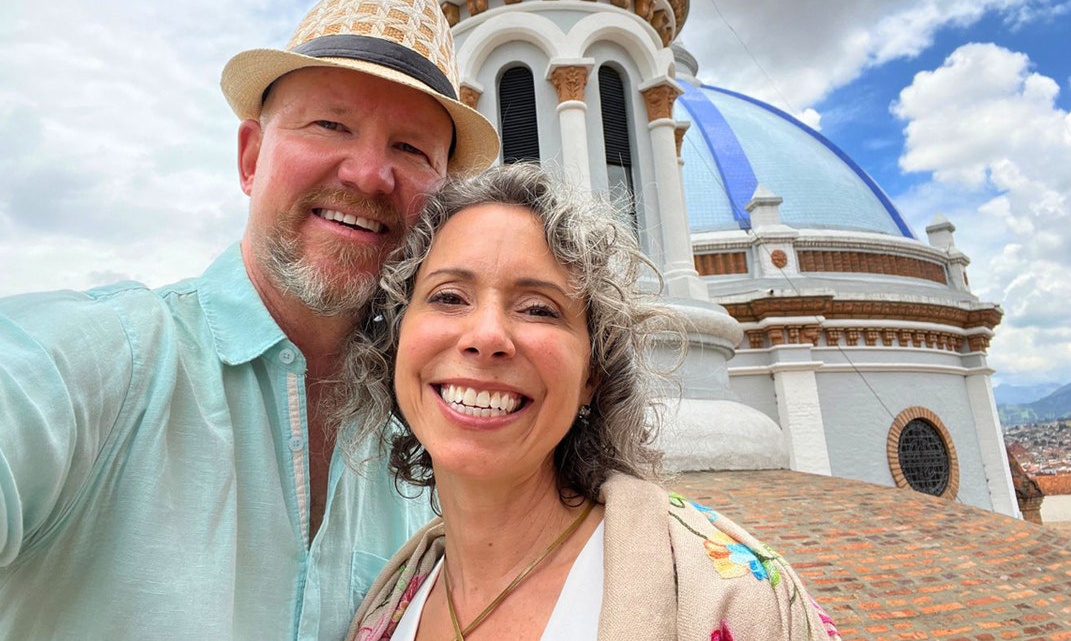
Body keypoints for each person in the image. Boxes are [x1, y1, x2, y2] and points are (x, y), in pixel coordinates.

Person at [0, 0, 498, 640]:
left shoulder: (418, 456)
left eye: (409, 148)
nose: (367, 173)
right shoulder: (103, 363)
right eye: (331, 124)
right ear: (250, 157)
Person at [335, 164, 841, 640]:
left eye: (539, 309)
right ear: (396, 343)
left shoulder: (737, 600)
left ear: (592, 374)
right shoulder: (390, 601)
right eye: (448, 297)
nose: (486, 336)